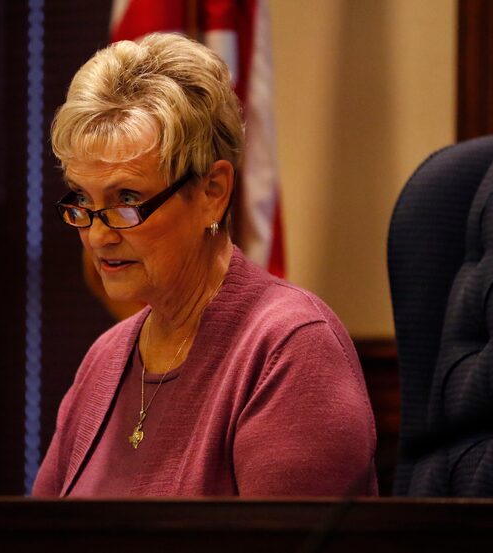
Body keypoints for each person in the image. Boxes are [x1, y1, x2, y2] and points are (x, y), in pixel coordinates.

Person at [32, 33, 377, 497]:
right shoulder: (104, 360)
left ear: (213, 191)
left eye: (127, 200)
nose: (97, 235)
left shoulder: (289, 350)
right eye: (83, 201)